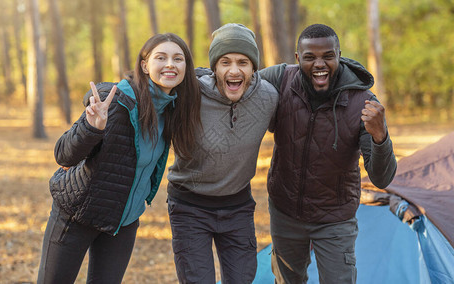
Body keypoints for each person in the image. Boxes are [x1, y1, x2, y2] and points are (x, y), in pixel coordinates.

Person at [37, 33, 202, 284]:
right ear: (145, 66)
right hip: (78, 214)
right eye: (161, 57)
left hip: (123, 223)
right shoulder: (115, 102)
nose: (170, 64)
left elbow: (206, 76)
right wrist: (92, 128)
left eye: (178, 59)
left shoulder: (172, 106)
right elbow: (64, 154)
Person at [259, 24, 397, 284]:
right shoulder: (281, 79)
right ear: (298, 58)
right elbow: (239, 81)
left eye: (328, 56)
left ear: (339, 56)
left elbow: (382, 179)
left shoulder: (364, 102)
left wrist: (380, 136)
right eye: (310, 57)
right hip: (285, 210)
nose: (319, 64)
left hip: (334, 218)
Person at [166, 23, 279, 283]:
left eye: (243, 62)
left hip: (238, 206)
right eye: (225, 62)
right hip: (189, 206)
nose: (234, 70)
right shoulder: (188, 94)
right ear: (214, 67)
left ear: (253, 68)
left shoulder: (269, 98)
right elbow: (145, 92)